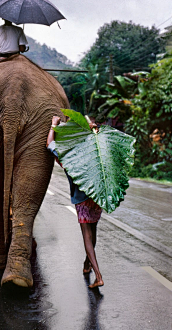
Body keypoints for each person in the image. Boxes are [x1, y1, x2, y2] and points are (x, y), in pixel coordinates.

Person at [46, 116, 104, 289]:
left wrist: (54, 125)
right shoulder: (95, 149)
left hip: (82, 200)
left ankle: (98, 276)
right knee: (93, 233)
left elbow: (49, 144)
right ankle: (87, 265)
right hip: (97, 197)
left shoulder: (70, 154)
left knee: (87, 237)